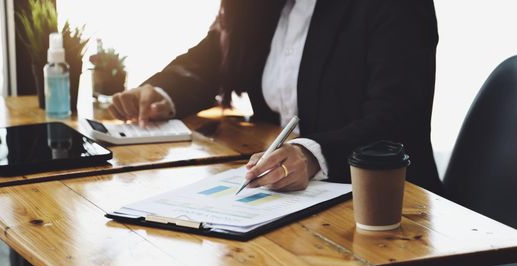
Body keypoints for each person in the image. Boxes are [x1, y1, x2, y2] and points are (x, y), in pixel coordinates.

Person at [109, 0, 443, 196]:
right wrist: (161, 92)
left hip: (383, 208)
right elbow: (212, 57)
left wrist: (312, 155)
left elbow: (397, 120)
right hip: (288, 199)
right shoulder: (259, 8)